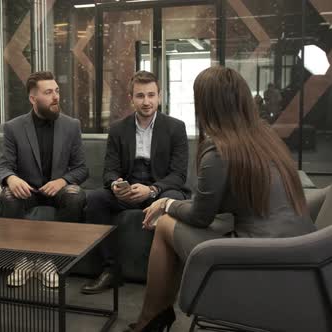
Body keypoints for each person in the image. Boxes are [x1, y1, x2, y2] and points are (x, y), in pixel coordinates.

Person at [123, 67, 316, 332]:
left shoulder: (219, 148)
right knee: (172, 219)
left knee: (166, 224)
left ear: (207, 105)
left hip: (262, 254)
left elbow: (201, 217)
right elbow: (216, 207)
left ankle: (150, 318)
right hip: (302, 249)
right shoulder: (265, 136)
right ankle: (156, 315)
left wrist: (165, 204)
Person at [81, 71, 189, 295]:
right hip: (129, 189)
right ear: (131, 98)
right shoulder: (118, 129)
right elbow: (110, 169)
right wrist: (116, 185)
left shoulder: (175, 128)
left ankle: (165, 274)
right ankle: (111, 269)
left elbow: (178, 175)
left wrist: (152, 190)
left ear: (160, 96)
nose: (146, 101)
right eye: (140, 96)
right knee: (94, 200)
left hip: (160, 187)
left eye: (151, 95)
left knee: (175, 200)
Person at [0, 71, 89, 288]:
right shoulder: (14, 128)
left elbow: (82, 168)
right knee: (8, 195)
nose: (56, 96)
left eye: (57, 91)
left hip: (58, 193)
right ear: (33, 98)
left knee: (76, 195)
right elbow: (3, 166)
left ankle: (51, 262)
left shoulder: (71, 125)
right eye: (48, 92)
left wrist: (63, 181)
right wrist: (10, 178)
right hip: (27, 193)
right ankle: (22, 261)